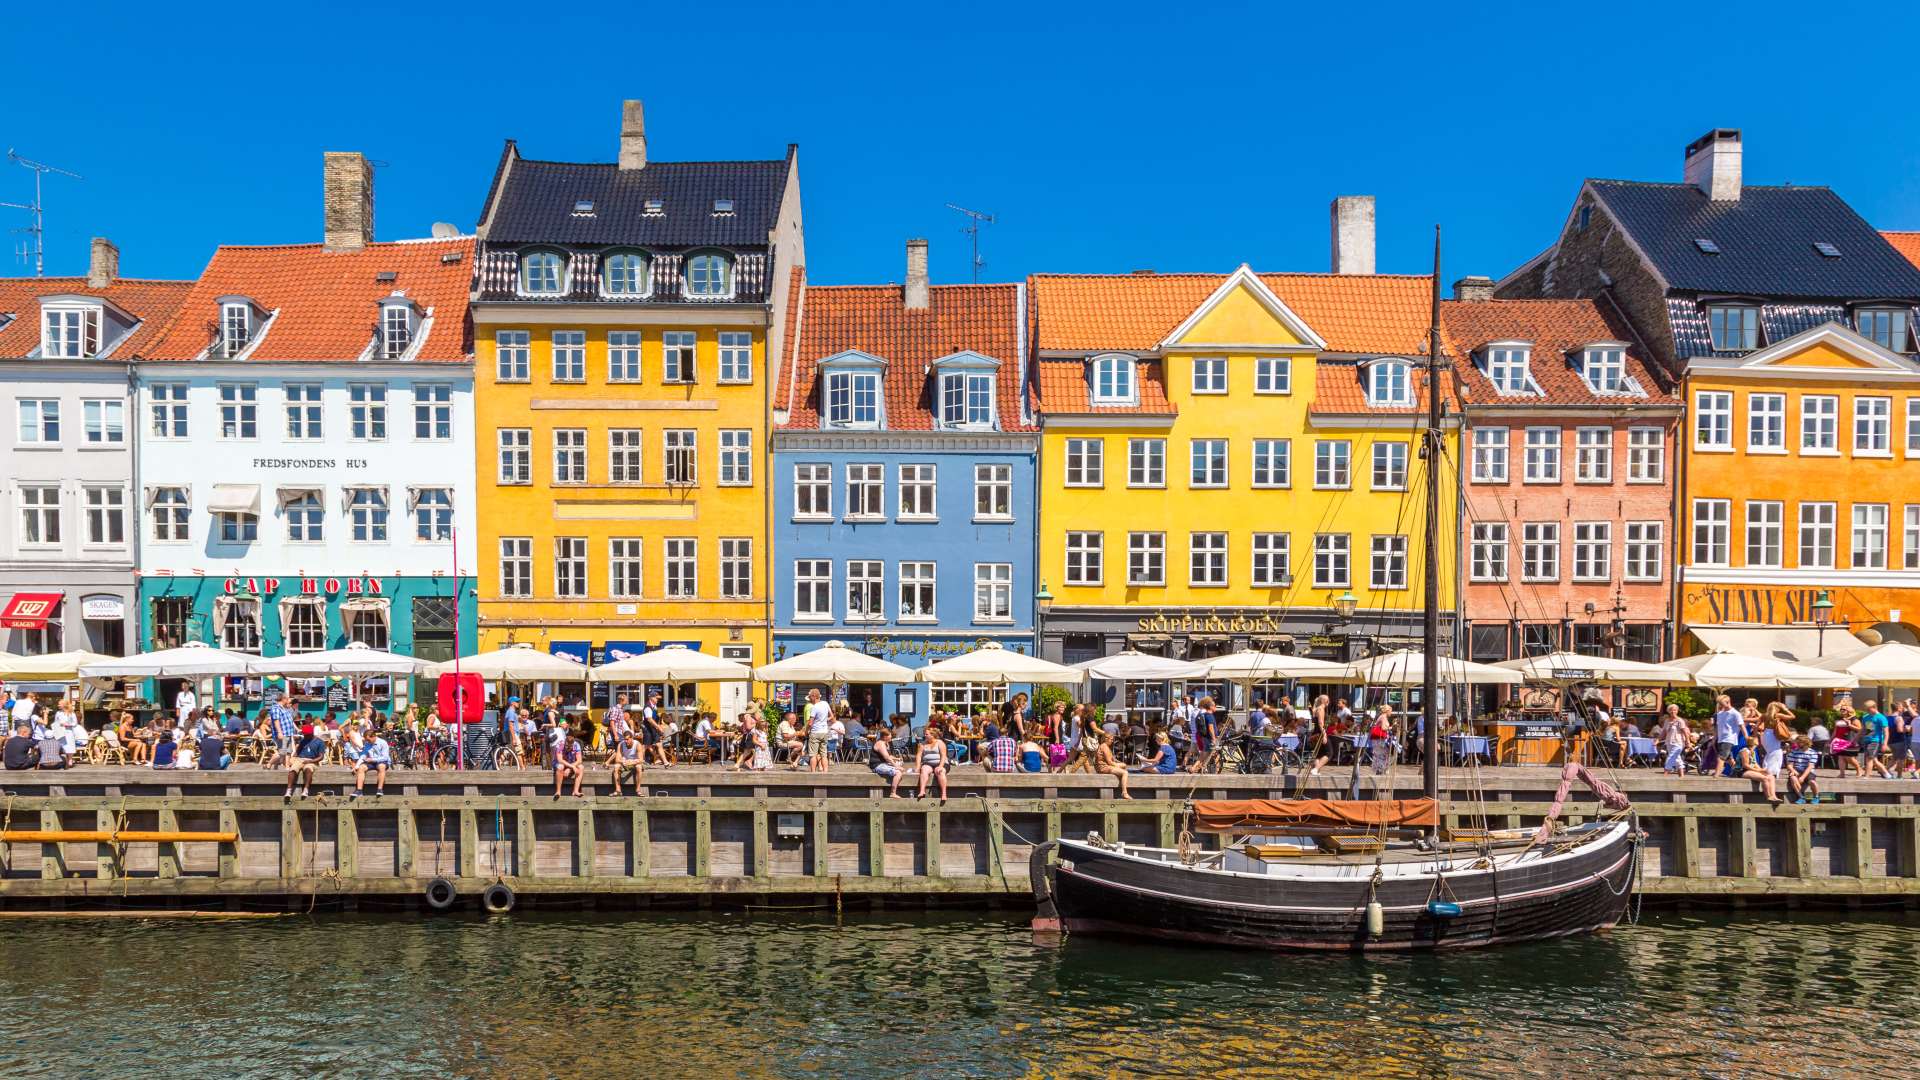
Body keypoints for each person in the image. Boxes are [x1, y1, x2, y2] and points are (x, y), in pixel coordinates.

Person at [285, 724, 325, 800]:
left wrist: (311, 761)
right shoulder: (303, 741)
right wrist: (292, 758)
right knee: (293, 769)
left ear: (311, 734)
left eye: (306, 735)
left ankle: (306, 789)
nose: (305, 736)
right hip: (300, 759)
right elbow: (297, 752)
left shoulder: (320, 742)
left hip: (312, 760)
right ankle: (289, 790)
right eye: (304, 734)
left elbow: (321, 756)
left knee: (308, 769)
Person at [1090, 731, 1133, 799]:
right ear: (1106, 739)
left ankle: (1122, 783)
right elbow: (1110, 762)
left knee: (1123, 765)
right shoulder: (1104, 747)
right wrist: (1117, 765)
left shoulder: (1106, 746)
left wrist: (1119, 763)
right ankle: (1124, 793)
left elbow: (1113, 759)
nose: (1112, 741)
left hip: (1106, 766)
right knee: (1125, 772)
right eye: (1111, 739)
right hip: (1103, 767)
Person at [914, 725, 949, 801]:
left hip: (941, 763)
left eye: (927, 734)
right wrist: (917, 767)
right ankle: (922, 790)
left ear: (932, 735)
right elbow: (919, 756)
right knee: (924, 770)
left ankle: (944, 793)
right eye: (925, 734)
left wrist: (940, 766)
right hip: (928, 763)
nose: (925, 735)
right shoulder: (922, 744)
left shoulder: (940, 743)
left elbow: (943, 755)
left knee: (940, 771)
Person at [1860, 699, 1893, 779]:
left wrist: (1885, 743)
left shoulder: (1881, 718)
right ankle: (1887, 774)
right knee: (1874, 759)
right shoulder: (1866, 717)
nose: (1867, 711)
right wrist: (1856, 739)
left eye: (1868, 709)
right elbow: (1863, 729)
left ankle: (1867, 776)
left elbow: (1886, 732)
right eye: (1866, 710)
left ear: (1874, 707)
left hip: (1875, 740)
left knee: (1869, 758)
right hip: (1867, 740)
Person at [869, 726, 905, 798]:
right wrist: (896, 766)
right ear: (885, 736)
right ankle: (893, 793)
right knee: (898, 772)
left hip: (882, 764)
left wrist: (897, 759)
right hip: (877, 765)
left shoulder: (885, 743)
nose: (891, 737)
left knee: (901, 768)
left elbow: (889, 756)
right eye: (890, 735)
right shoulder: (880, 743)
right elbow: (887, 757)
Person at [355, 729, 392, 798]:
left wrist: (372, 759)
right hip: (371, 761)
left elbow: (385, 757)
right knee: (361, 767)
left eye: (368, 740)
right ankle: (359, 790)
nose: (367, 741)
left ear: (374, 736)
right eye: (366, 740)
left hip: (381, 761)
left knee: (381, 766)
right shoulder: (367, 744)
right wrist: (357, 766)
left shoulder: (383, 743)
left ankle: (380, 789)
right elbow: (363, 755)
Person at [804, 689, 833, 774]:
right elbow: (832, 716)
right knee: (824, 754)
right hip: (824, 732)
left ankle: (813, 772)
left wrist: (806, 731)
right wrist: (824, 721)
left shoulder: (814, 707)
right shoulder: (825, 703)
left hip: (815, 732)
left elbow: (810, 723)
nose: (809, 699)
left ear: (814, 696)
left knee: (813, 754)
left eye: (810, 697)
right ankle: (825, 772)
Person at [551, 723, 584, 798]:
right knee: (560, 767)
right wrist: (572, 767)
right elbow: (560, 760)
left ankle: (575, 791)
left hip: (571, 763)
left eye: (570, 747)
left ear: (573, 744)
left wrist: (569, 768)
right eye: (567, 746)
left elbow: (579, 760)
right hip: (559, 762)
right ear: (565, 742)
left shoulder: (576, 745)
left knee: (581, 767)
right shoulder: (560, 745)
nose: (568, 748)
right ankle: (558, 791)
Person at [1786, 735, 1821, 803]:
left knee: (1812, 782)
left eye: (1799, 743)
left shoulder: (1812, 753)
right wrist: (1793, 770)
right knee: (1793, 778)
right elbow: (1789, 765)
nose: (1797, 744)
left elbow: (1810, 766)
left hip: (1808, 771)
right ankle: (1801, 797)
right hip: (1796, 769)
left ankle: (1816, 796)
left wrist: (1802, 777)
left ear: (1805, 743)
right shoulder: (1794, 752)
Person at [1659, 704, 1691, 776]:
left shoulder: (1680, 720)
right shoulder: (1667, 721)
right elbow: (1663, 732)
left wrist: (1688, 741)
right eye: (1671, 710)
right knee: (1677, 758)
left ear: (1677, 711)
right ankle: (1681, 776)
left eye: (1675, 710)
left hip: (1678, 742)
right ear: (1669, 711)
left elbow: (1684, 731)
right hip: (1669, 742)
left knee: (1671, 756)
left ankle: (1665, 773)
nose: (1673, 711)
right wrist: (1658, 740)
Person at [610, 728, 644, 794]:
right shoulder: (621, 744)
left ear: (632, 738)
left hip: (635, 763)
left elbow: (641, 759)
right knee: (616, 766)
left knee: (639, 767)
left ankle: (638, 789)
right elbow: (617, 759)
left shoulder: (637, 744)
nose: (626, 741)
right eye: (624, 739)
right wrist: (623, 762)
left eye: (627, 739)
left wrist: (632, 762)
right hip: (625, 763)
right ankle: (618, 789)